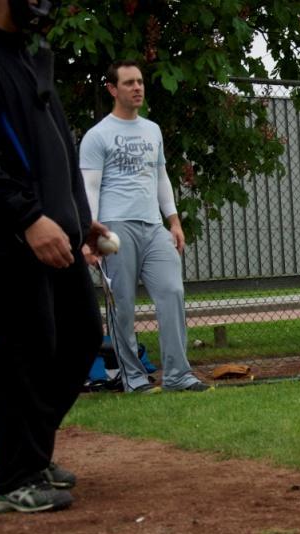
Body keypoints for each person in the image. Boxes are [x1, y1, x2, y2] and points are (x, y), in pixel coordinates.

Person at [0, 0, 109, 513]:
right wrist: (25, 217)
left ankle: (29, 451)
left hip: (57, 230)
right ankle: (14, 476)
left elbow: (58, 143)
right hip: (12, 235)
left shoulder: (32, 53)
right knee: (25, 349)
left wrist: (81, 220)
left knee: (81, 335)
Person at [79, 60, 211, 393]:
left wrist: (174, 221)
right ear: (112, 89)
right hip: (113, 229)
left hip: (153, 226)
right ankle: (134, 379)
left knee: (172, 292)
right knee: (122, 305)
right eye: (128, 83)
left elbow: (161, 177)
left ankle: (179, 375)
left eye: (139, 82)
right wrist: (89, 236)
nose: (137, 87)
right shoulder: (98, 136)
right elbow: (89, 189)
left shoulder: (152, 130)